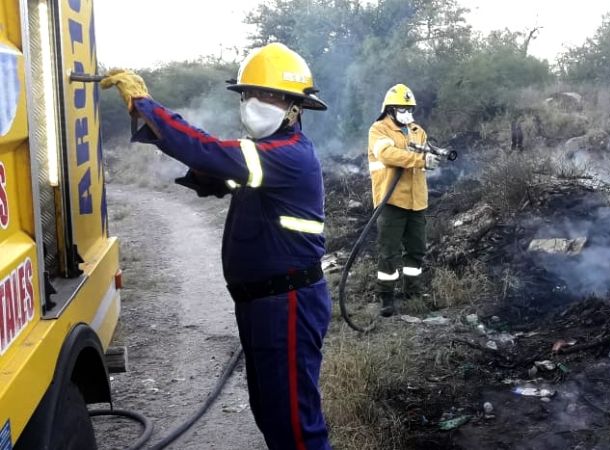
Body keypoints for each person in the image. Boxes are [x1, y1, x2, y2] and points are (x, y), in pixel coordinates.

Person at [101, 43, 332, 450]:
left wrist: (147, 106)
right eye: (248, 94)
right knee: (271, 414)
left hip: (288, 304)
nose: (253, 103)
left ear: (295, 107)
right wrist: (194, 162)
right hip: (264, 304)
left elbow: (208, 149)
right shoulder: (264, 157)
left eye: (267, 95)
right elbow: (214, 167)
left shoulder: (287, 155)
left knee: (296, 425)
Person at [367, 83, 442, 317]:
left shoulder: (417, 130)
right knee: (389, 251)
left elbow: (423, 153)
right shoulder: (379, 129)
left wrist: (432, 156)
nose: (406, 112)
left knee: (416, 249)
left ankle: (413, 291)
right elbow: (387, 154)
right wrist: (420, 161)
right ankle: (386, 296)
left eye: (409, 108)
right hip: (391, 201)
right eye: (401, 107)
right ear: (389, 109)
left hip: (417, 200)